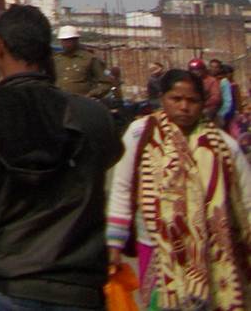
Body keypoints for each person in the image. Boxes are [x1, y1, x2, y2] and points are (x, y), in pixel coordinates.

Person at [0, 4, 122, 310]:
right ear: (49, 50)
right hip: (80, 288)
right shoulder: (93, 118)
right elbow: (115, 176)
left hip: (8, 284)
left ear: (0, 48)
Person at [106, 68, 251, 309]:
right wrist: (114, 244)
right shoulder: (140, 134)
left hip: (212, 251)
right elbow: (121, 187)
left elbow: (246, 200)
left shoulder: (224, 146)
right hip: (154, 246)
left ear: (203, 103)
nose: (184, 107)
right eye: (176, 99)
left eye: (192, 100)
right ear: (163, 99)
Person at [54, 24, 113, 100]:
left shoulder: (90, 59)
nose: (66, 43)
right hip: (59, 102)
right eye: (64, 40)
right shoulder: (56, 59)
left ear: (76, 40)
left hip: (82, 103)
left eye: (69, 40)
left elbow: (106, 84)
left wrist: (92, 95)